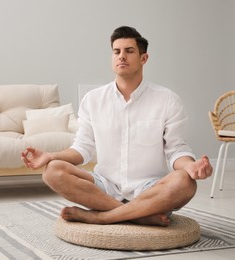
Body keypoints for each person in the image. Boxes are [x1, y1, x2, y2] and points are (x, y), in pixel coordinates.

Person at [21, 26, 213, 226]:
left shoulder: (167, 99)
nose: (122, 56)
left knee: (185, 182)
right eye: (116, 51)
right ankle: (137, 215)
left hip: (150, 188)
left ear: (143, 58)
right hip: (104, 185)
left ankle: (101, 216)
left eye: (129, 51)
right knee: (52, 171)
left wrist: (191, 166)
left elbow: (175, 149)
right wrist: (50, 156)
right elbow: (82, 149)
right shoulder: (92, 100)